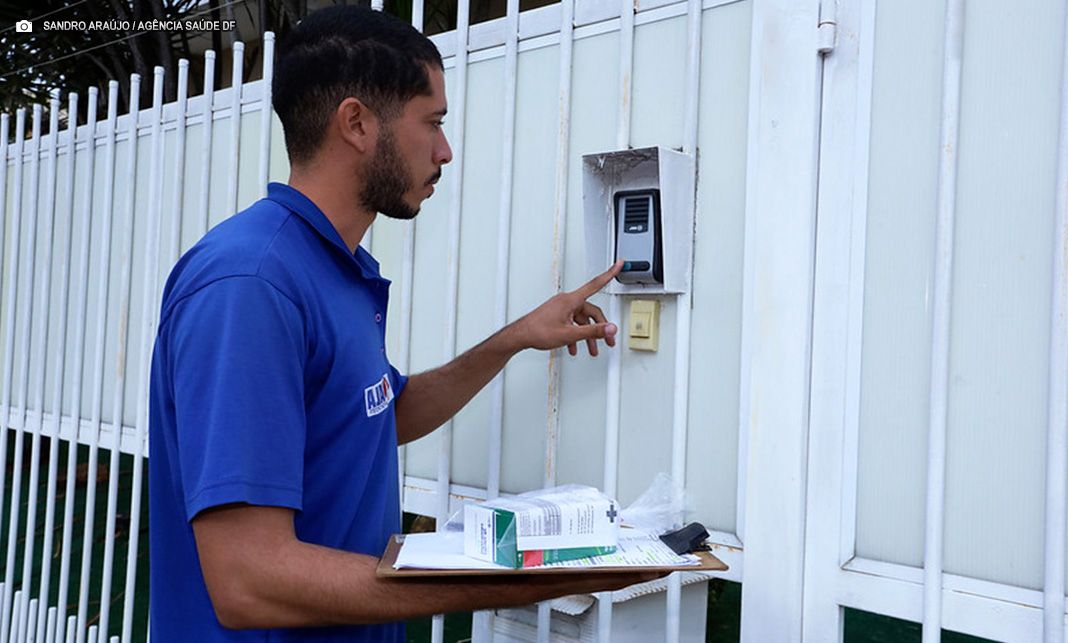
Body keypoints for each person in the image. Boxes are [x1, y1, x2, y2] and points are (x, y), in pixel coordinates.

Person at [148, 5, 654, 641]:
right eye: (432, 122)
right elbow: (249, 579)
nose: (445, 150)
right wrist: (526, 579)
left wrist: (514, 338)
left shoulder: (332, 267)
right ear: (357, 123)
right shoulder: (250, 286)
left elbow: (380, 415)